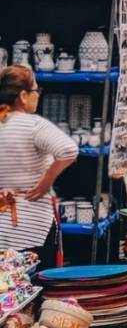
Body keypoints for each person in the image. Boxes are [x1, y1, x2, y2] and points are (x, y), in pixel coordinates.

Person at [0, 66, 78, 269]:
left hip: (2, 224)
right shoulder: (33, 124)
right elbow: (69, 150)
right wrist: (46, 181)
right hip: (32, 223)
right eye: (36, 91)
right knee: (38, 284)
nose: (37, 96)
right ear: (23, 96)